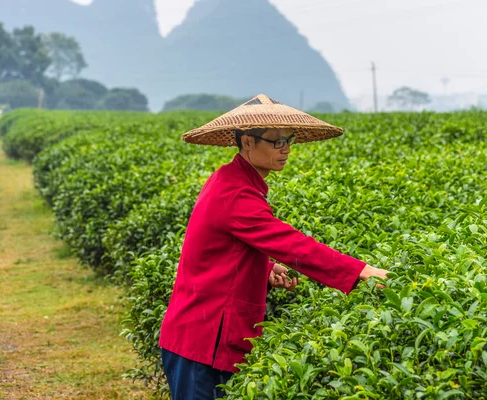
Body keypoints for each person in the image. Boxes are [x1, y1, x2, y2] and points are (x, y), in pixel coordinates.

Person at [158, 94, 389, 399]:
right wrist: (360, 270)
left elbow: (221, 248)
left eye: (288, 140)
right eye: (275, 141)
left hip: (201, 331)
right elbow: (289, 242)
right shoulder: (236, 193)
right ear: (247, 143)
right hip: (204, 339)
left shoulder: (229, 179)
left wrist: (264, 268)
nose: (286, 149)